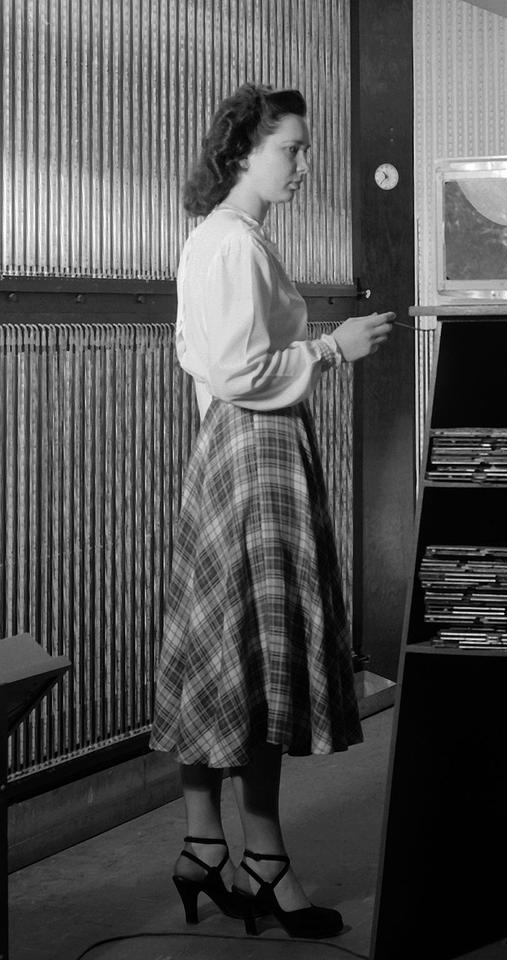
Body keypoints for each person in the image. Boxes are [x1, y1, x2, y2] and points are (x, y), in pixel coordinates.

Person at [148, 83, 394, 940]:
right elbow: (236, 372)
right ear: (243, 150)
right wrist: (334, 346)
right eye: (291, 147)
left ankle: (210, 847)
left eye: (302, 147)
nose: (302, 162)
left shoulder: (229, 239)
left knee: (230, 649)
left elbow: (218, 367)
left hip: (245, 455)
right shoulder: (227, 245)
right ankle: (259, 862)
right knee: (250, 657)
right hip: (253, 457)